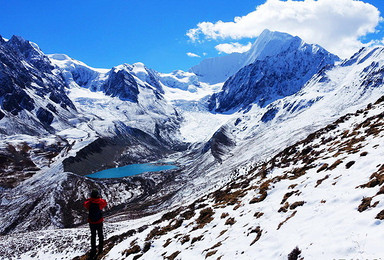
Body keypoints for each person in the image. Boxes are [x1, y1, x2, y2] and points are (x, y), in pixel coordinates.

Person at [84, 190, 107, 257]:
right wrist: (98, 198)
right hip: (99, 221)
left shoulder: (89, 203)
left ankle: (93, 250)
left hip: (91, 222)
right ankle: (100, 249)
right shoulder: (100, 202)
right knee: (100, 235)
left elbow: (85, 203)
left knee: (93, 236)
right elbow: (105, 203)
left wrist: (90, 199)